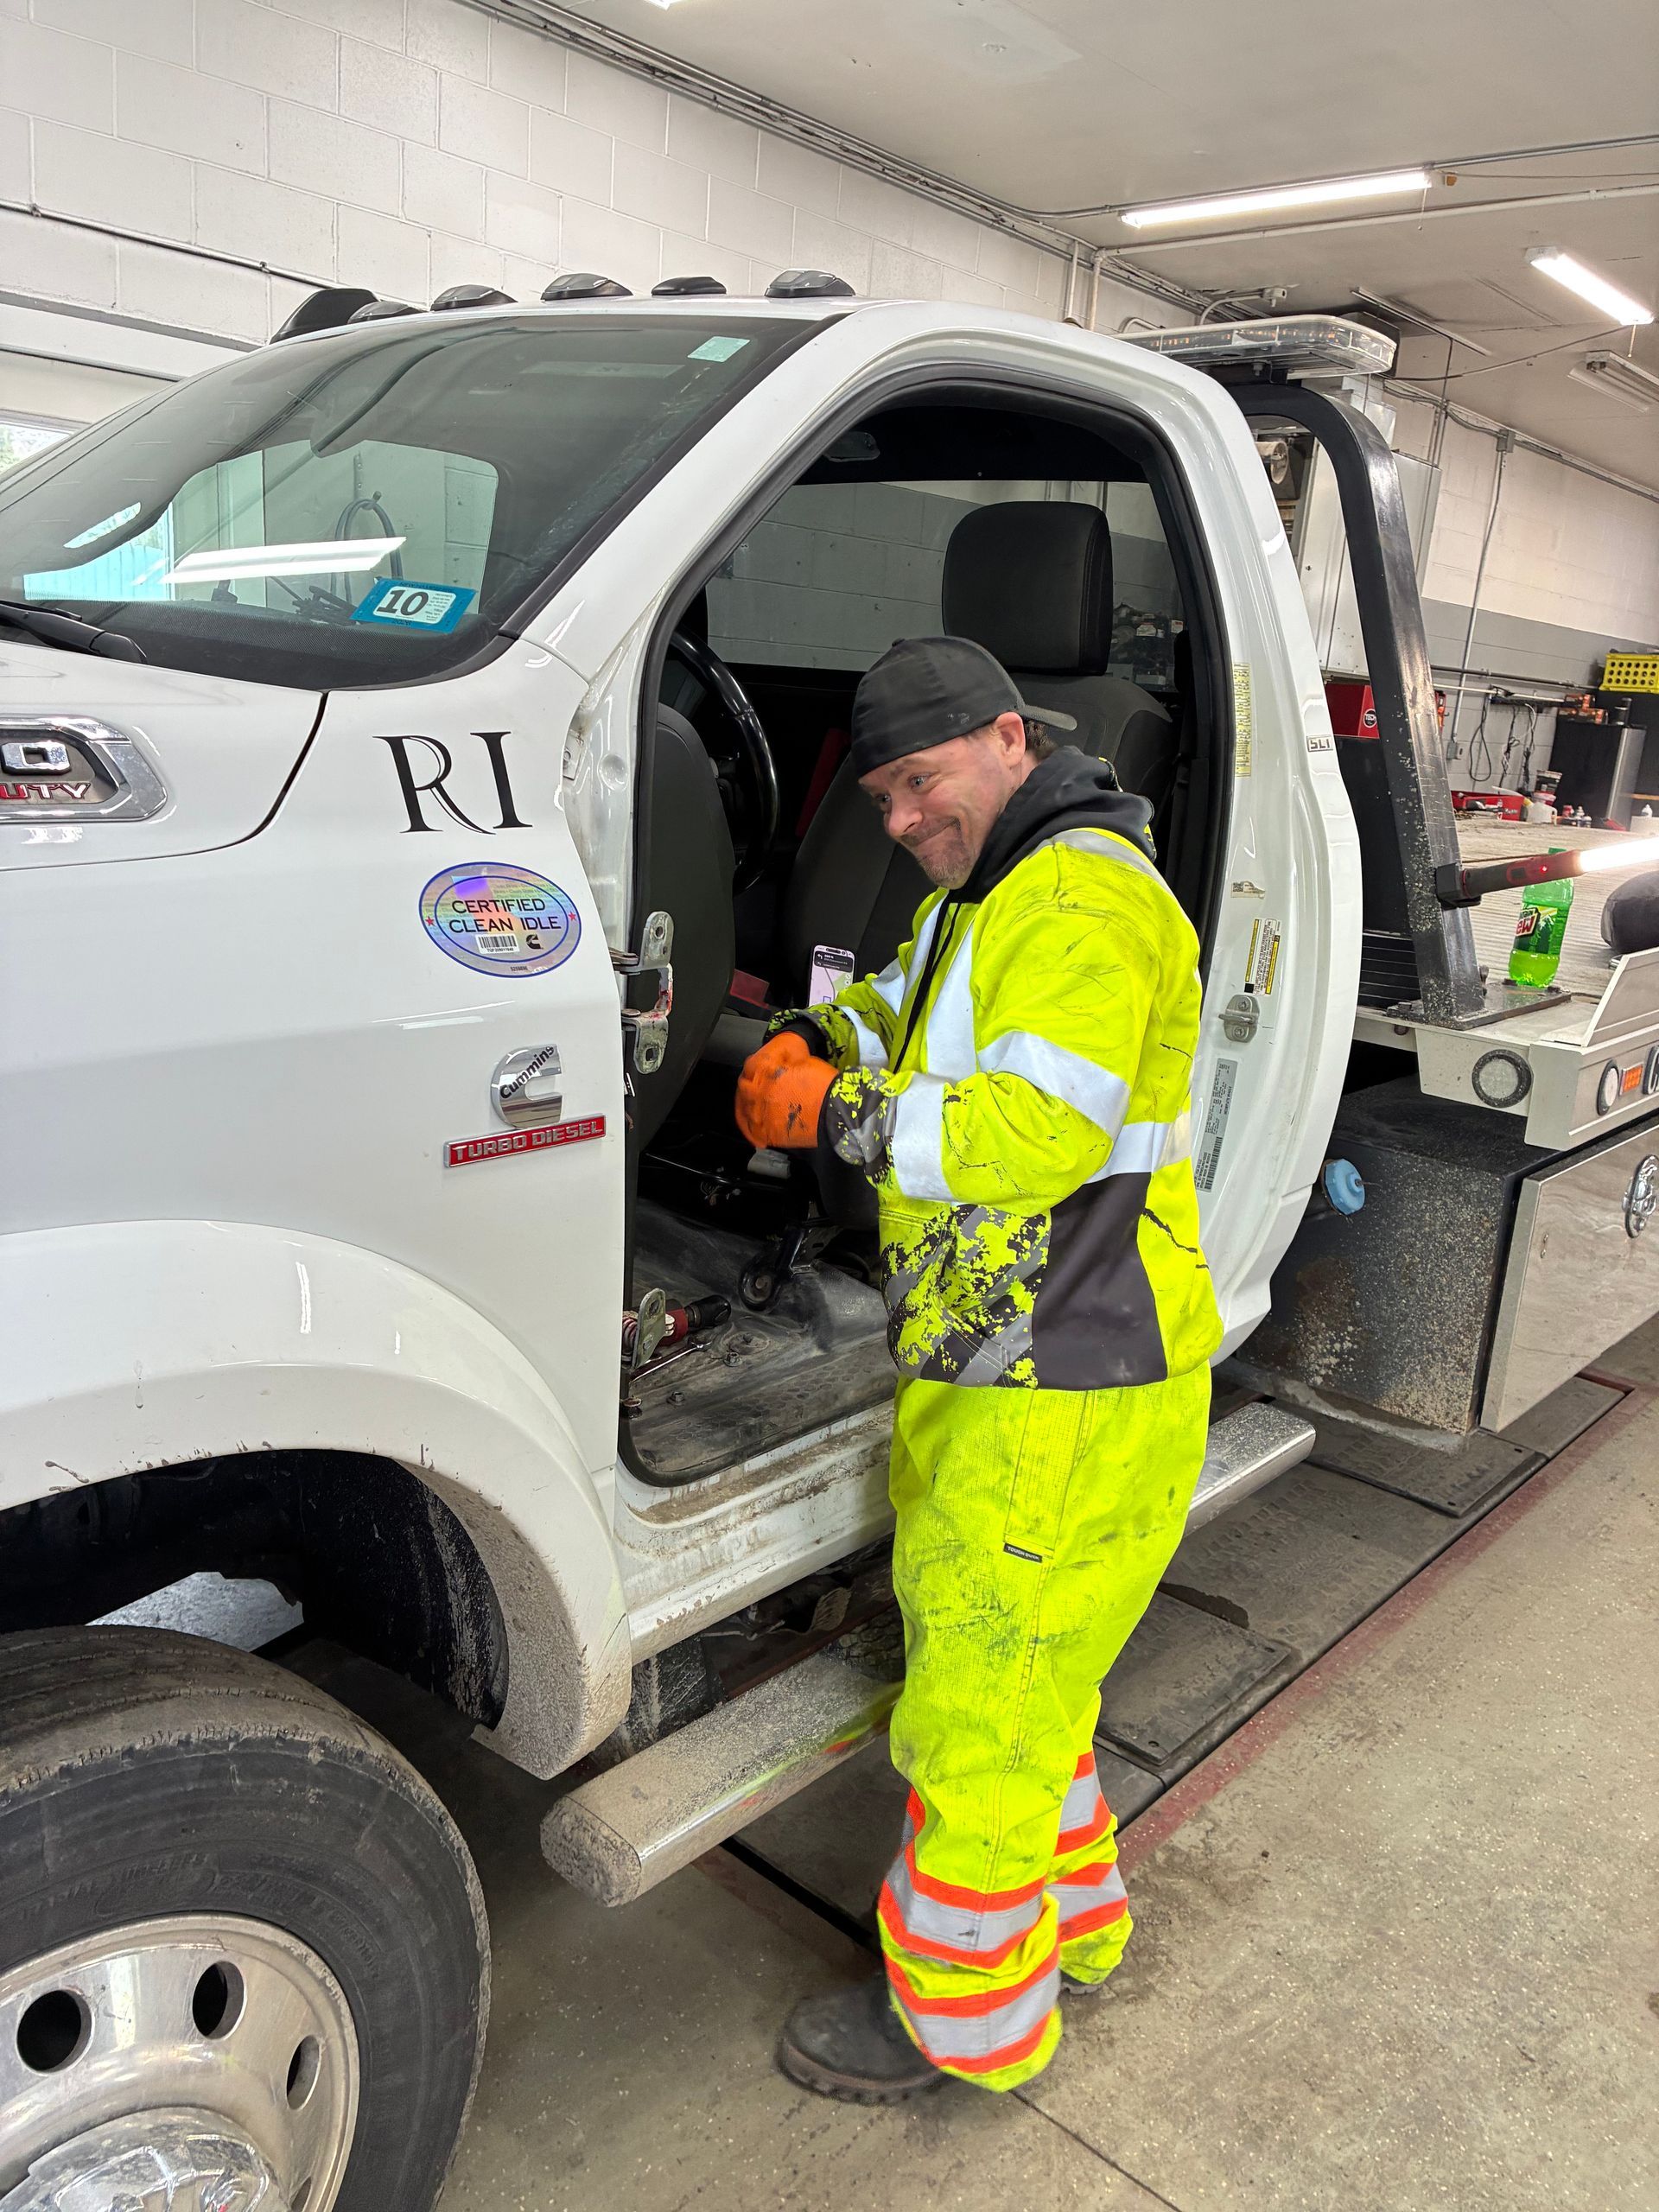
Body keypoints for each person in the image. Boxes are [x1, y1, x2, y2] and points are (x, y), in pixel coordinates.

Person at [734, 634, 1223, 2102]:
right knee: (1038, 1689)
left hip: (1062, 1379)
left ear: (1010, 740)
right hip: (1028, 1359)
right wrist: (830, 1031)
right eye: (878, 796)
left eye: (920, 782)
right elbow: (914, 999)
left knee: (982, 1715)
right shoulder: (996, 892)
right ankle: (1074, 1935)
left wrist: (837, 1117)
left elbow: (1032, 1136)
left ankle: (963, 2027)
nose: (899, 820)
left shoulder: (1077, 899)